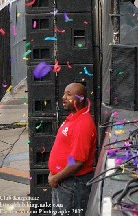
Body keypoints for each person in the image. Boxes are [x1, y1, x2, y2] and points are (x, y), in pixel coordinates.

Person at [48, 83, 97, 216]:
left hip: (72, 185)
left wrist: (56, 177)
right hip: (62, 182)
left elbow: (77, 161)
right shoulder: (73, 118)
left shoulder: (83, 124)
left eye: (69, 94)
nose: (64, 97)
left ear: (80, 99)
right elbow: (68, 153)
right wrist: (54, 172)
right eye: (64, 93)